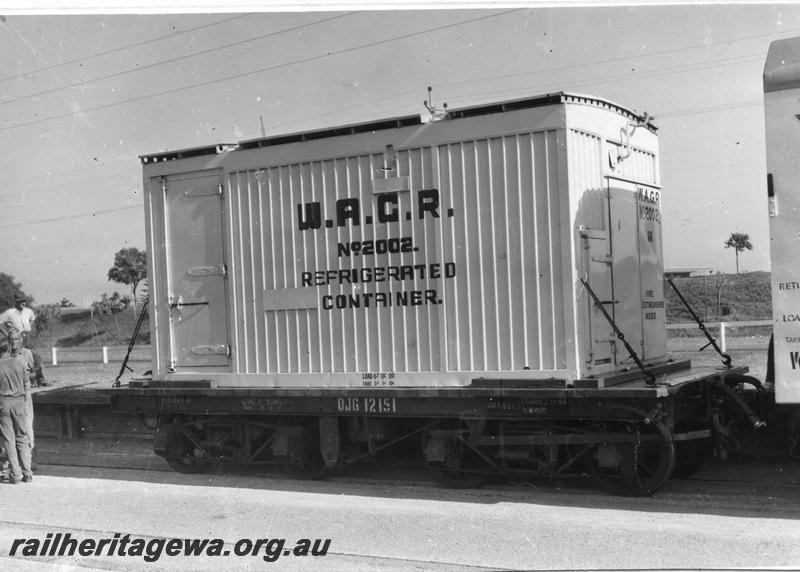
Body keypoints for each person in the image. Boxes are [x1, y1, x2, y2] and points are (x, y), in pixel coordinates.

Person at [0, 338, 33, 483]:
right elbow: (27, 384)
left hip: (4, 402)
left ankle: (15, 473)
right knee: (22, 436)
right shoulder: (20, 363)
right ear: (8, 349)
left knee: (9, 439)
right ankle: (28, 472)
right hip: (19, 401)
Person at [0, 294, 46, 386]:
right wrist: (7, 335)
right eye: (21, 301)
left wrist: (29, 327)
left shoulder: (28, 311)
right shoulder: (9, 313)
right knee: (11, 356)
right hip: (14, 339)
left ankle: (39, 378)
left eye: (24, 301)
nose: (23, 303)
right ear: (16, 302)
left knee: (34, 355)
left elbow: (33, 318)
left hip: (26, 337)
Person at [7, 328, 35, 451]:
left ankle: (30, 455)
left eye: (16, 339)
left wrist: (25, 377)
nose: (14, 342)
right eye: (11, 339)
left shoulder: (27, 353)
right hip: (10, 395)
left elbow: (34, 373)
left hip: (24, 394)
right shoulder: (5, 356)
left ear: (21, 339)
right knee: (11, 428)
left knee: (27, 425)